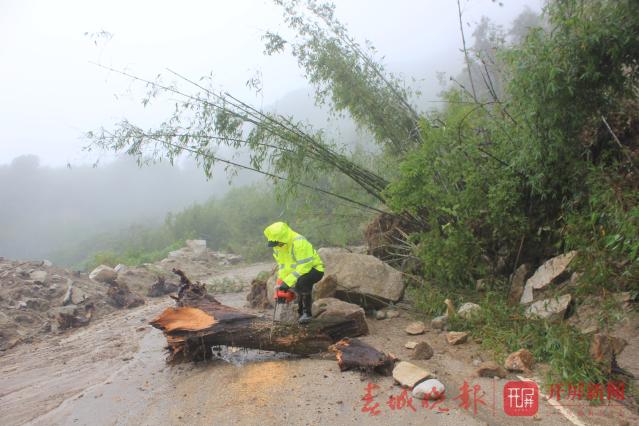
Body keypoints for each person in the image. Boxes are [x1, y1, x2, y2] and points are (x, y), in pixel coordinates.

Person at [264, 221, 324, 324]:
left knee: (302, 282)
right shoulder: (278, 247)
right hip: (300, 271)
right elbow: (283, 266)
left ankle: (307, 314)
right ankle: (299, 314)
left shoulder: (299, 242)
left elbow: (305, 266)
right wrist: (281, 281)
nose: (276, 245)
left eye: (277, 242)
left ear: (283, 238)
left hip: (314, 269)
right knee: (294, 286)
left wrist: (288, 282)